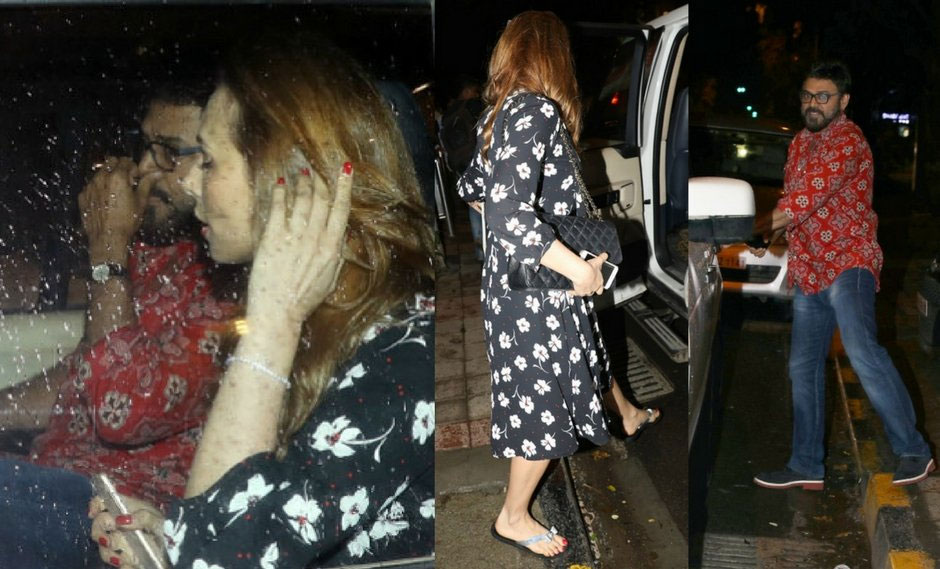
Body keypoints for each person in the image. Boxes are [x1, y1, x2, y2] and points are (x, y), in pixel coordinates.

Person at [90, 34, 436, 569]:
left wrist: (274, 319)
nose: (190, 183)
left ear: (284, 175)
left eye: (208, 161)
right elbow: (262, 516)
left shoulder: (402, 358)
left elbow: (219, 560)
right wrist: (170, 534)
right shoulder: (333, 324)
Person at [0, 82, 237, 568]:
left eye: (169, 152)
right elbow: (84, 377)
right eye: (145, 146)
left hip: (128, 517)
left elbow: (120, 409)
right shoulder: (154, 250)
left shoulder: (235, 284)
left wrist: (107, 249)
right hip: (60, 482)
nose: (144, 169)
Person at [456, 11, 660, 559]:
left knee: (581, 359)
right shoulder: (536, 110)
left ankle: (628, 415)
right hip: (537, 293)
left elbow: (472, 189)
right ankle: (513, 517)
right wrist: (577, 268)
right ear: (555, 58)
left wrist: (526, 237)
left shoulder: (497, 114)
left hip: (517, 284)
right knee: (544, 402)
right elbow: (505, 209)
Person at [751, 61, 934, 490]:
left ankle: (914, 450)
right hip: (811, 270)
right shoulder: (799, 143)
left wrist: (757, 225)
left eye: (823, 96)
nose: (813, 104)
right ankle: (806, 466)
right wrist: (772, 235)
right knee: (802, 367)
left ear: (843, 101)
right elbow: (795, 204)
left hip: (849, 263)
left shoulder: (848, 140)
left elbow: (805, 198)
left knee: (862, 349)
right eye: (807, 96)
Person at [441, 75, 486, 261]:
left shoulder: (449, 111)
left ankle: (480, 253)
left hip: (458, 163)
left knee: (473, 205)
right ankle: (489, 252)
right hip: (475, 160)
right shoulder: (474, 106)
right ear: (467, 91)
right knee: (486, 205)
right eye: (475, 92)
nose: (477, 95)